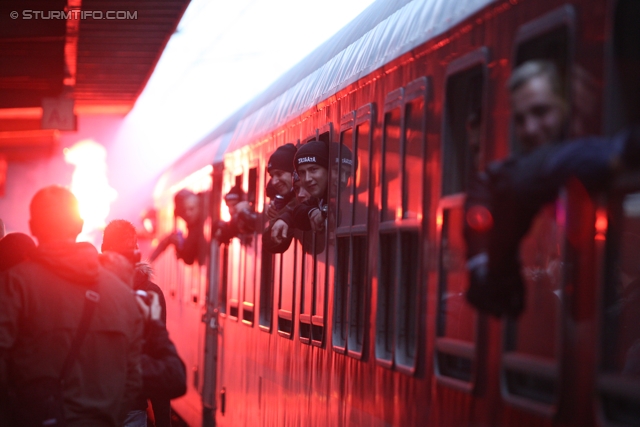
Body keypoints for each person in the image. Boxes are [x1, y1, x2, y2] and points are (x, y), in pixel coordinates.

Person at [464, 60, 640, 317]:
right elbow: (554, 163)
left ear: (569, 106)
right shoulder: (503, 180)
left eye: (542, 112)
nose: (531, 129)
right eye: (521, 119)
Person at [0, 185, 143, 426]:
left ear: (34, 227)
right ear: (79, 225)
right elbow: (133, 378)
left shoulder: (15, 285)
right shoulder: (121, 293)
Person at [102, 220, 185, 427]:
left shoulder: (89, 289)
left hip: (93, 406)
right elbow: (158, 358)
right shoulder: (150, 294)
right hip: (132, 408)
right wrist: (163, 421)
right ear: (136, 251)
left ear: (103, 250)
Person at [149, 189, 208, 265]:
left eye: (192, 209)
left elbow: (189, 259)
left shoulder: (200, 228)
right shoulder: (192, 228)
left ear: (200, 206)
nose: (188, 213)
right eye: (184, 210)